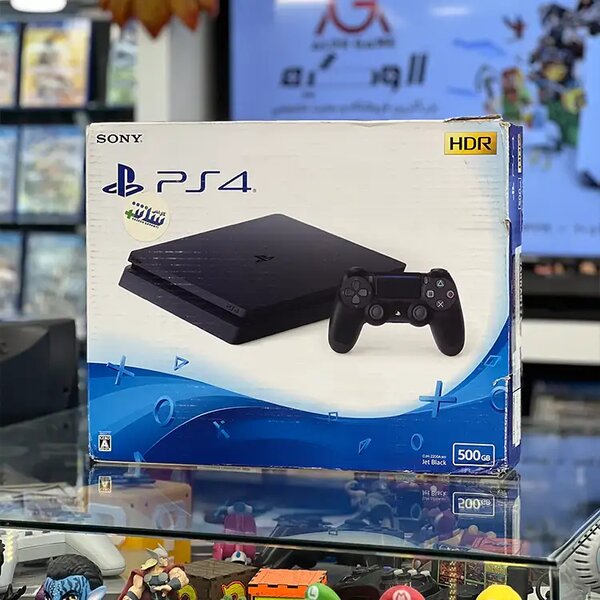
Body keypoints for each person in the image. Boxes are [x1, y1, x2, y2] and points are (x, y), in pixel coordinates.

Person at [119, 545, 188, 600]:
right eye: (163, 558)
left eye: (166, 558)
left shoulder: (171, 570)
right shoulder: (143, 574)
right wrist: (130, 597)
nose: (166, 560)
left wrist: (169, 586)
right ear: (157, 559)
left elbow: (183, 579)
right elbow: (137, 588)